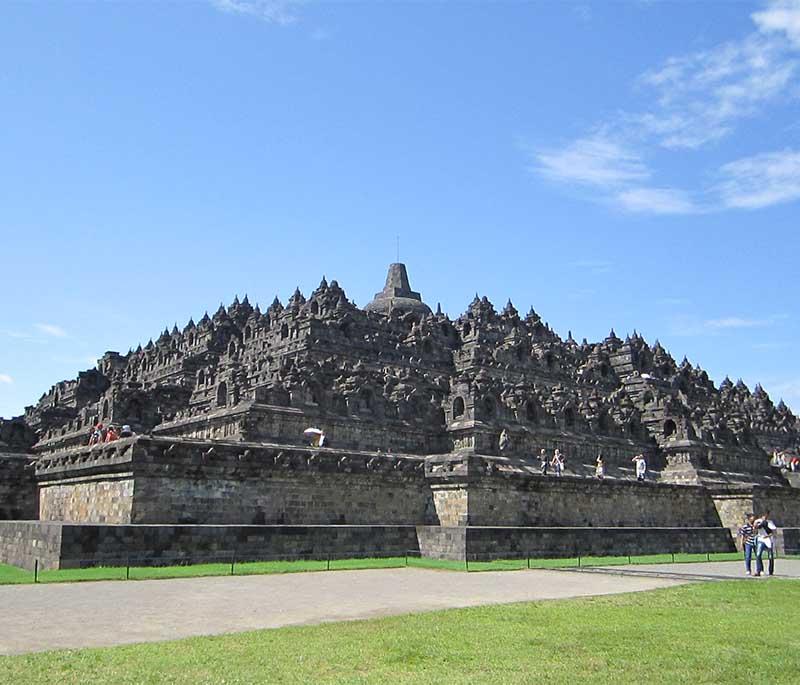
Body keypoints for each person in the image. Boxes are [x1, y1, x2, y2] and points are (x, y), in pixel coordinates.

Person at [754, 511, 777, 577]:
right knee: (758, 554)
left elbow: (773, 531)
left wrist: (769, 536)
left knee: (770, 556)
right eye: (764, 515)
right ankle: (759, 570)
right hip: (761, 539)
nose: (765, 516)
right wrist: (756, 526)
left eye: (766, 515)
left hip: (768, 540)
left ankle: (770, 571)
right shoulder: (758, 521)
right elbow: (755, 529)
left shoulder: (770, 522)